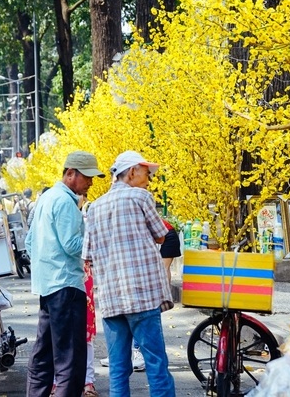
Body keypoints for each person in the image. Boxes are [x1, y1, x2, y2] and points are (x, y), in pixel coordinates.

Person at [83, 150, 176, 397]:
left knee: (118, 369)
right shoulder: (141, 197)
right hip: (142, 295)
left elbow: (88, 254)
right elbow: (160, 235)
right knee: (156, 364)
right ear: (132, 171)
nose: (149, 179)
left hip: (112, 299)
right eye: (147, 173)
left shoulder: (94, 207)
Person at [25, 151, 105, 397]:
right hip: (67, 286)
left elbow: (30, 242)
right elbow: (72, 244)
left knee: (44, 356)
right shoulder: (66, 201)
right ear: (70, 174)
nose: (91, 182)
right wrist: (100, 245)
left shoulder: (46, 198)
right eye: (87, 177)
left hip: (47, 285)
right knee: (70, 361)